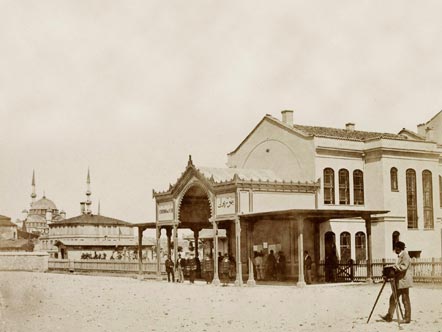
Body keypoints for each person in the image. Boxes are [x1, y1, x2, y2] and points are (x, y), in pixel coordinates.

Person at [380, 241, 413, 324]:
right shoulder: (400, 256)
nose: (395, 250)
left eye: (395, 248)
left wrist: (395, 267)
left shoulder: (405, 255)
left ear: (399, 248)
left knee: (405, 299)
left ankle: (407, 318)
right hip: (399, 281)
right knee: (393, 298)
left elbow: (403, 267)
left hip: (404, 281)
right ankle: (389, 316)